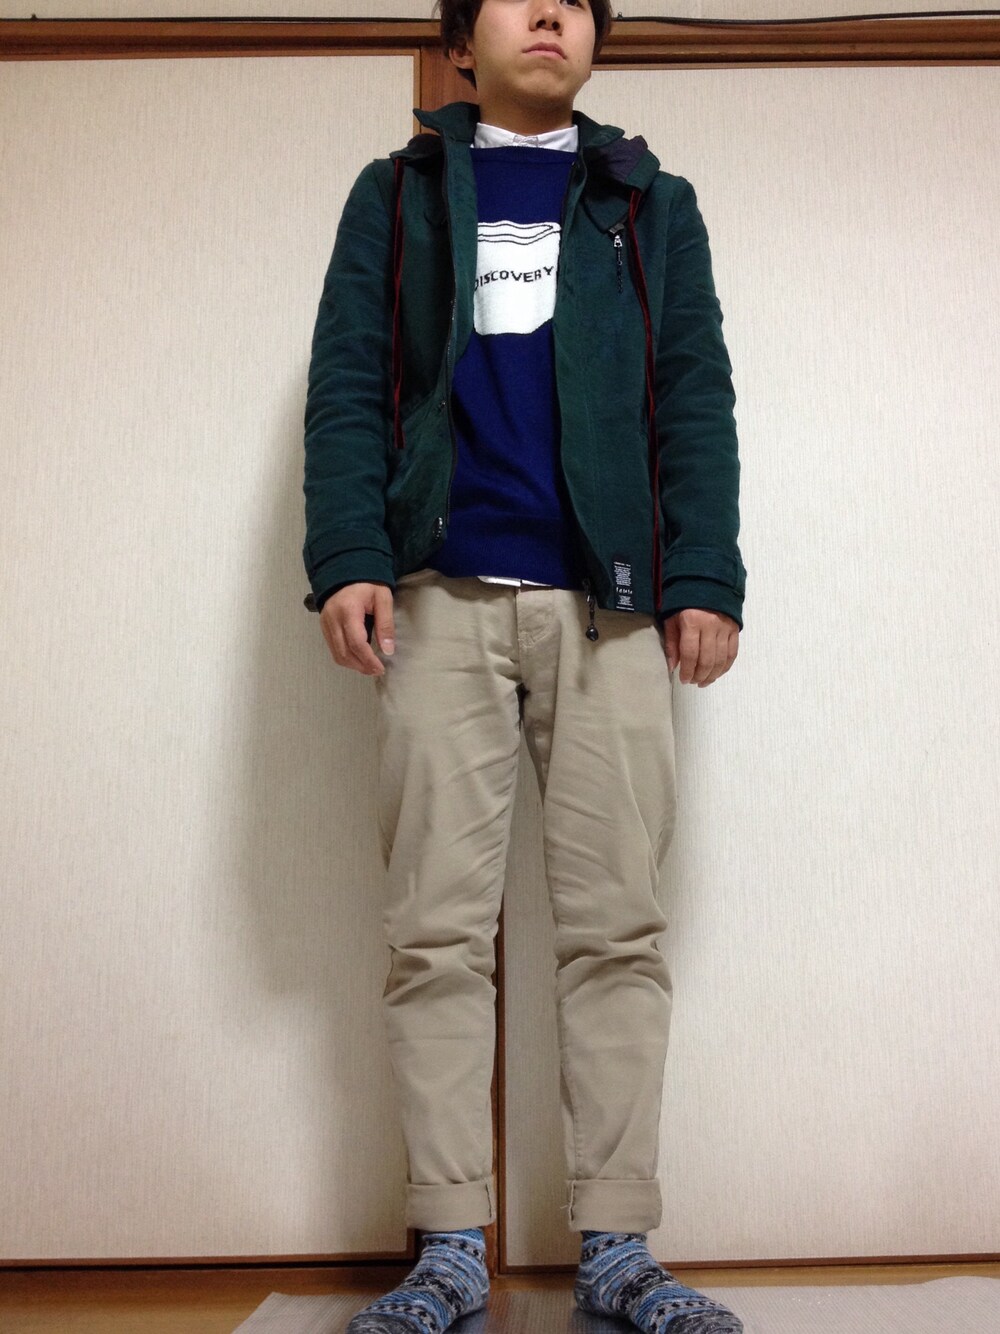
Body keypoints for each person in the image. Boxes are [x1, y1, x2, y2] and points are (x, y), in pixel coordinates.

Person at [302, 1, 747, 1330]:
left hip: (611, 605)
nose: (551, 11)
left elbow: (693, 391)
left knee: (618, 929)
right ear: (460, 41)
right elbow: (348, 378)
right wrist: (349, 552)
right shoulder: (396, 194)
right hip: (436, 595)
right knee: (435, 930)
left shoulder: (648, 200)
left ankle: (617, 1246)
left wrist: (703, 575)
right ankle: (449, 1245)